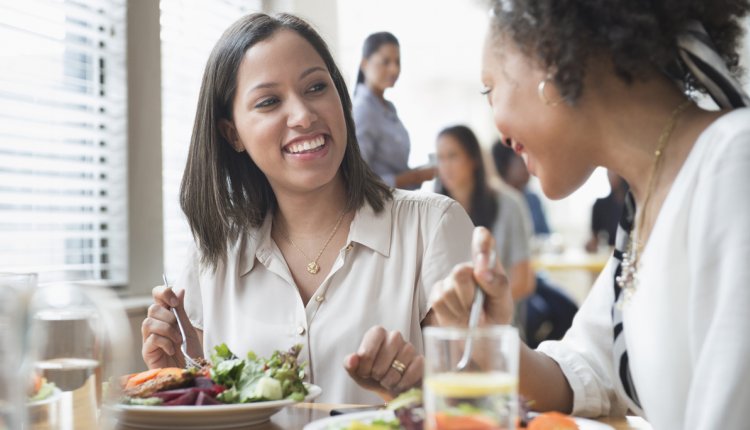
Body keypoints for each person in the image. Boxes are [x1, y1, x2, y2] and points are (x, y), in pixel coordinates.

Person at [432, 1, 750, 429]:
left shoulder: (735, 165)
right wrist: (490, 338)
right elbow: (586, 374)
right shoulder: (645, 205)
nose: (500, 132)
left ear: (549, 57)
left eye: (490, 89)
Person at [139, 13, 474, 405]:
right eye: (268, 102)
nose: (303, 115)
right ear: (233, 134)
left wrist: (415, 391)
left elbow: (478, 405)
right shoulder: (211, 260)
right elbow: (214, 411)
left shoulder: (432, 228)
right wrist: (182, 381)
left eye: (316, 87)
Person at [434, 125, 534, 304]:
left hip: (498, 321)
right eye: (440, 158)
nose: (445, 166)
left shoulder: (510, 204)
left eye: (453, 156)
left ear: (474, 160)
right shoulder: (433, 211)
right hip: (447, 320)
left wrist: (477, 307)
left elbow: (524, 282)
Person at [352, 32, 435, 189]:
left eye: (397, 62)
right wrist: (415, 176)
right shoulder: (364, 110)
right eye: (386, 62)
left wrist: (420, 173)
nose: (394, 69)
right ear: (364, 64)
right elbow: (359, 180)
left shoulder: (387, 108)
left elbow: (392, 170)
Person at [492, 140, 550, 235]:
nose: (530, 166)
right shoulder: (494, 200)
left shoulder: (533, 199)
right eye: (523, 160)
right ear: (505, 165)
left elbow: (546, 235)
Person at [585, 170, 628, 252]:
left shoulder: (635, 204)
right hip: (609, 255)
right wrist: (591, 244)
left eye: (613, 171)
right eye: (608, 172)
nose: (610, 176)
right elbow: (594, 239)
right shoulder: (600, 205)